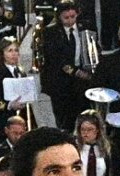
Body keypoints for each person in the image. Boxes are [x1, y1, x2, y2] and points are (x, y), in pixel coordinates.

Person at [39, 0, 92, 133]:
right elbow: (56, 59)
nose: (70, 21)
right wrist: (77, 72)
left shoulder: (84, 27)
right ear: (59, 17)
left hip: (80, 83)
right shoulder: (50, 32)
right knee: (64, 120)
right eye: (66, 18)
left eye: (73, 17)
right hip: (60, 83)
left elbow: (92, 48)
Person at [0, 37, 33, 129]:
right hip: (2, 120)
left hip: (21, 120)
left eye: (16, 50)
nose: (14, 54)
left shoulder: (21, 72)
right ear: (2, 54)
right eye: (10, 51)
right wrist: (9, 105)